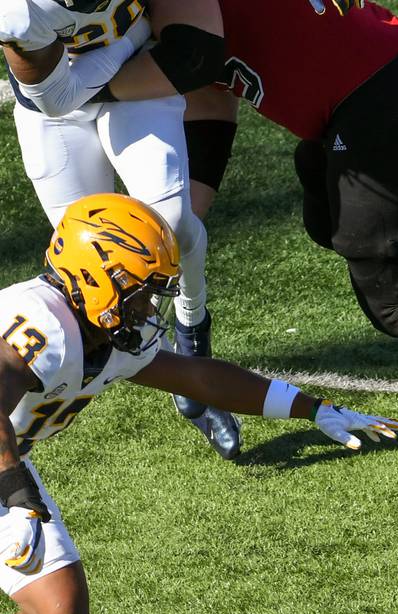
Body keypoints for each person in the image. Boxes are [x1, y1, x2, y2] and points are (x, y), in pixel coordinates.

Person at [98, 0, 398, 475]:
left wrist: (83, 87)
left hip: (383, 93)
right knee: (333, 218)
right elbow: (210, 94)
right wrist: (181, 218)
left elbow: (195, 58)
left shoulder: (170, 12)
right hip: (378, 80)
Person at [0, 193, 398, 614]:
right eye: (140, 291)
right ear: (94, 276)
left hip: (7, 462)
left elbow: (199, 378)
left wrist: (312, 408)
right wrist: (18, 497)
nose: (148, 307)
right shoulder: (39, 322)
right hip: (6, 472)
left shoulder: (106, 334)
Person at [1, 0, 241, 459]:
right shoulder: (18, 10)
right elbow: (55, 98)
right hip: (53, 107)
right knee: (99, 263)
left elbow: (197, 45)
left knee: (170, 226)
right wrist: (136, 36)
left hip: (140, 81)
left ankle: (192, 330)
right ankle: (143, 354)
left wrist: (146, 43)